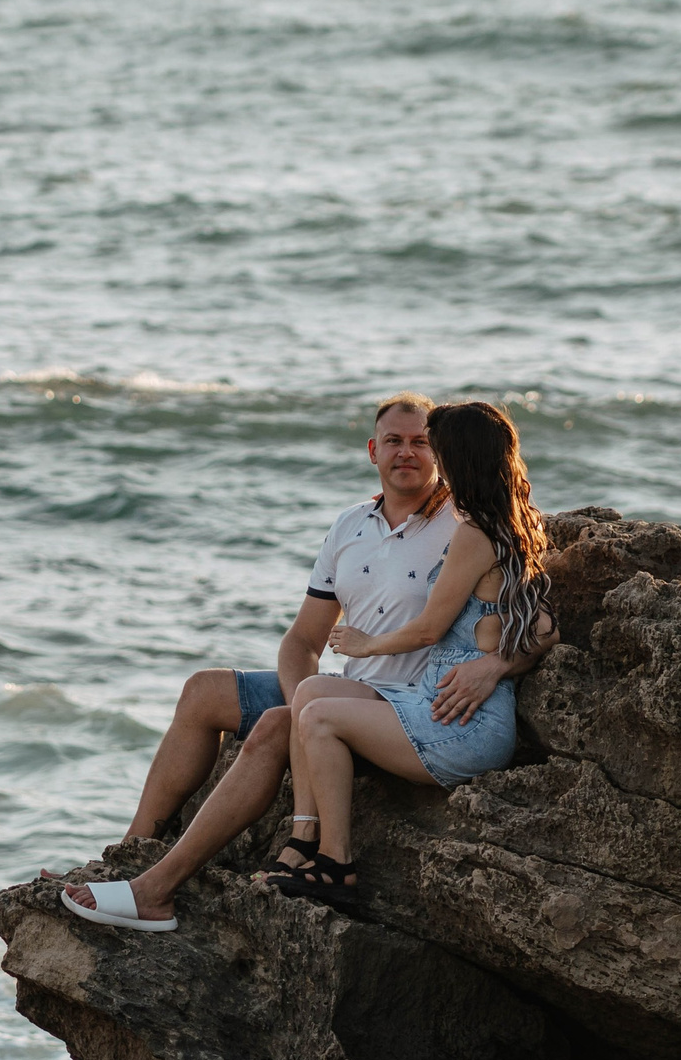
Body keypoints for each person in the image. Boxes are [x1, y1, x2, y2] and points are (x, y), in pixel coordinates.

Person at [57, 393, 536, 930]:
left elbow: (532, 614)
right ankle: (128, 854)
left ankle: (174, 884)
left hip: (403, 695)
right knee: (205, 691)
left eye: (423, 442)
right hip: (344, 685)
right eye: (395, 442)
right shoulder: (351, 524)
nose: (409, 453)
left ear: (443, 454)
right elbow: (302, 638)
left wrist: (495, 666)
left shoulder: (464, 521)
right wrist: (300, 695)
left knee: (284, 724)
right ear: (372, 451)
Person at [268, 400, 557, 912]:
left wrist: (366, 644)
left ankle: (336, 864)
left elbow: (427, 631)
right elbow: (545, 626)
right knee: (311, 690)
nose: (433, 463)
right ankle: (304, 837)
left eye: (437, 450)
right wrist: (495, 663)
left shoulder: (472, 534)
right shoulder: (506, 521)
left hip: (462, 723)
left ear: (458, 458)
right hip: (436, 698)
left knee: (319, 717)